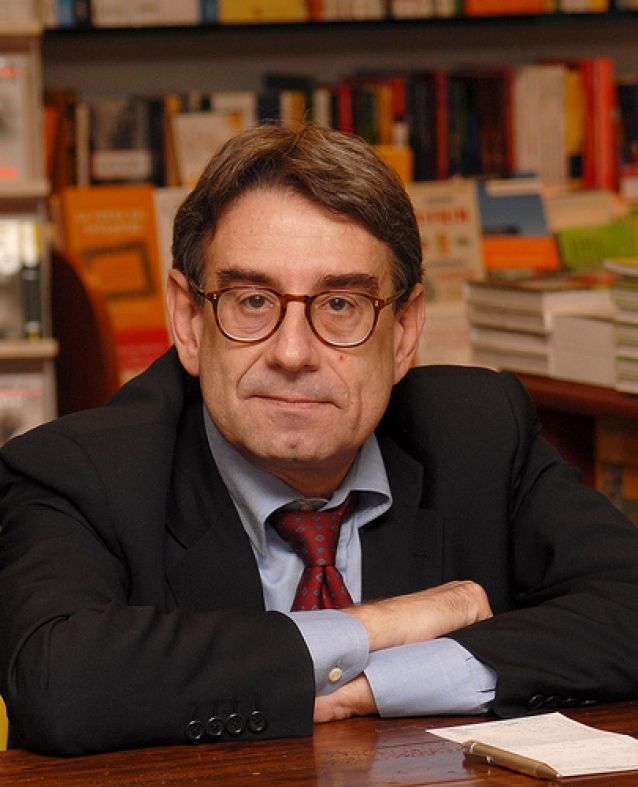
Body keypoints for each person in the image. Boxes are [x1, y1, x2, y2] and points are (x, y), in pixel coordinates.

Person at [2, 124, 638, 757]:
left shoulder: (480, 432)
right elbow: (58, 681)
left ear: (405, 331)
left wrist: (374, 685)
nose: (292, 353)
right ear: (189, 320)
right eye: (253, 300)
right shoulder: (78, 472)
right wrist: (372, 627)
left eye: (340, 305)